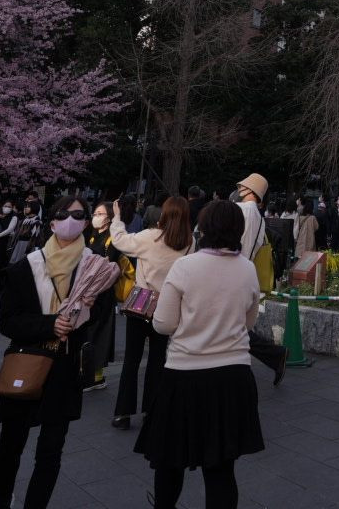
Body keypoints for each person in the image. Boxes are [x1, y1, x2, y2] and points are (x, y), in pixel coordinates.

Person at [135, 200, 264, 508]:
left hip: (185, 374)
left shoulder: (185, 266)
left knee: (170, 461)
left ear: (203, 228)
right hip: (233, 375)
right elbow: (248, 322)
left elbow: (164, 324)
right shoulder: (247, 269)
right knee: (221, 468)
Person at [0, 196, 112, 509]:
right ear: (53, 221)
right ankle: (1, 500)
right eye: (64, 214)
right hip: (26, 361)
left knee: (51, 449)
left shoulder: (95, 267)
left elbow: (101, 314)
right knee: (10, 444)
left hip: (65, 367)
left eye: (78, 215)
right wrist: (50, 324)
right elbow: (7, 321)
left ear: (86, 222)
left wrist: (88, 310)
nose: (71, 220)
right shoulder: (26, 266)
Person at [110, 195, 194, 429]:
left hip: (142, 303)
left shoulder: (149, 237)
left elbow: (119, 240)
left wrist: (117, 218)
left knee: (131, 359)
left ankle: (123, 413)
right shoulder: (189, 243)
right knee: (158, 359)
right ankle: (152, 409)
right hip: (167, 306)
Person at [233, 174, 288, 384]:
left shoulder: (242, 210)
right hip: (246, 271)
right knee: (235, 327)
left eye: (243, 186)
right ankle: (275, 356)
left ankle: (275, 356)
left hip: (233, 270)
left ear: (252, 190)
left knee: (233, 327)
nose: (239, 188)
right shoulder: (257, 215)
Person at [84, 200, 125, 392]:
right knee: (89, 333)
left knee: (100, 334)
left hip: (104, 293)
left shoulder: (113, 239)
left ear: (109, 218)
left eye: (100, 214)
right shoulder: (93, 236)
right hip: (89, 291)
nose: (96, 217)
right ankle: (87, 373)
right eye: (95, 213)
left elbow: (110, 265)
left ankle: (96, 377)